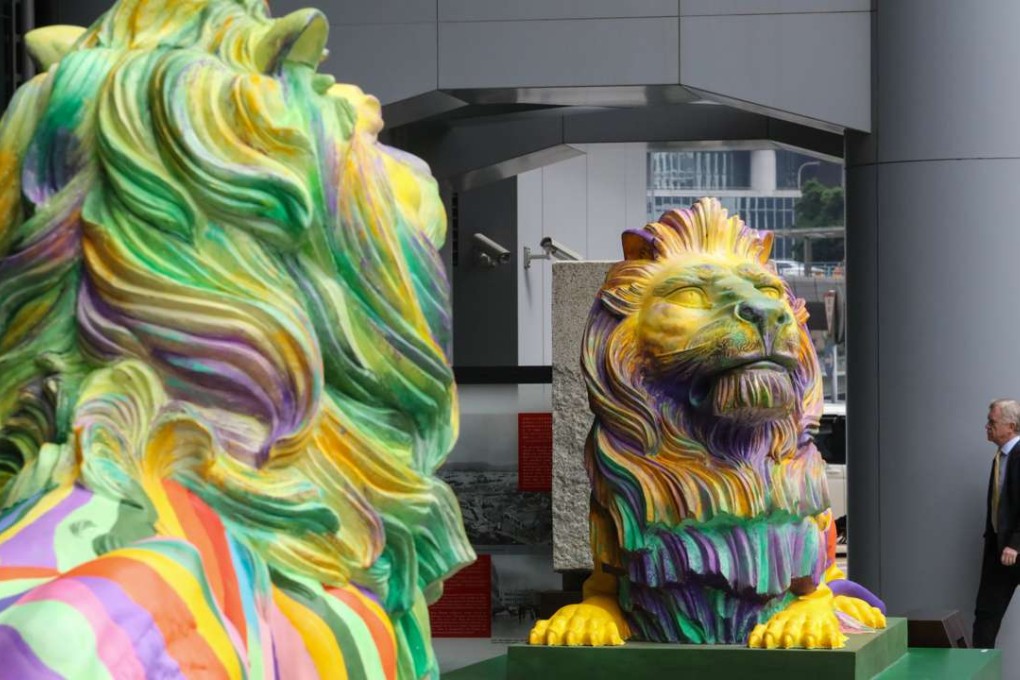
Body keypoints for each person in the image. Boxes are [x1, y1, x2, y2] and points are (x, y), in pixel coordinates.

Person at [973, 399, 1020, 648]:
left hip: (1014, 548)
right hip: (998, 551)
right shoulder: (1000, 456)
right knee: (986, 616)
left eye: (992, 422)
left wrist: (1015, 543)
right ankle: (980, 669)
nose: (987, 426)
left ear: (1010, 426)